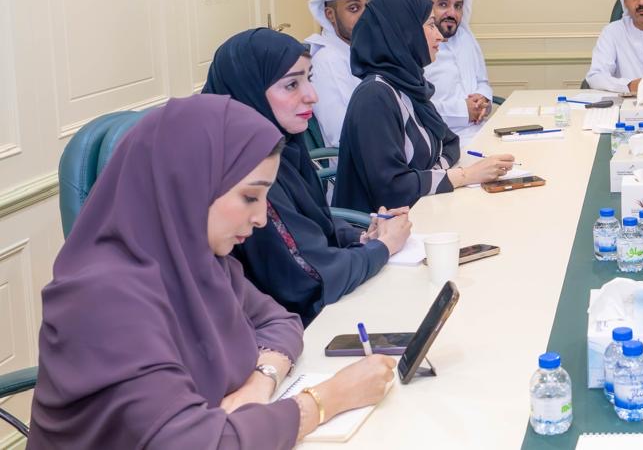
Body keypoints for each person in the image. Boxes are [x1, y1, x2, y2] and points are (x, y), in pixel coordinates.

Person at [27, 95, 396, 449]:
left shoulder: (200, 261)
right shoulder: (100, 297)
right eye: (249, 197)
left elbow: (280, 321)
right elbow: (191, 443)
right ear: (187, 185)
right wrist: (325, 400)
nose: (260, 217)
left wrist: (261, 381)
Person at [203, 28, 413, 326]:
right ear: (250, 89)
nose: (312, 96)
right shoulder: (245, 170)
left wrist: (361, 237)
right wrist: (384, 246)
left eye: (309, 79)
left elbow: (313, 222)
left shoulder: (286, 146)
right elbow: (310, 278)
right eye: (291, 85)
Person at [335, 0, 513, 213]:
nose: (439, 35)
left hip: (421, 208)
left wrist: (432, 175)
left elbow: (450, 143)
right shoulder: (375, 96)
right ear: (404, 31)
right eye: (430, 25)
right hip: (381, 226)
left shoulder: (409, 84)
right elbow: (392, 189)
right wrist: (464, 175)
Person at [420, 0, 493, 147]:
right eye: (443, 4)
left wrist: (483, 100)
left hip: (481, 130)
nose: (452, 13)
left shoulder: (466, 37)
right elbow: (416, 108)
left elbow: (482, 82)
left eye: (458, 6)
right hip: (441, 141)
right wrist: (464, 111)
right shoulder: (417, 46)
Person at [306, 0, 376, 147]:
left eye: (369, 7)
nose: (365, 16)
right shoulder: (327, 60)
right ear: (330, 14)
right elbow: (341, 132)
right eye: (354, 8)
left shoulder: (362, 51)